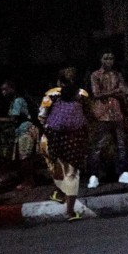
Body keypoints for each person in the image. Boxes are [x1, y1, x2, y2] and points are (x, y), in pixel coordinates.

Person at [39, 67, 91, 221]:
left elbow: (42, 116)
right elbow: (88, 114)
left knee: (58, 166)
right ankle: (69, 211)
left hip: (55, 137)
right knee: (72, 174)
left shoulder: (51, 95)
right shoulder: (82, 95)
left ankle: (58, 192)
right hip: (75, 138)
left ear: (59, 82)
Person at [87, 50, 128, 189]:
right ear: (101, 60)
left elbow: (124, 90)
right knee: (98, 146)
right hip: (102, 114)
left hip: (117, 113)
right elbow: (96, 94)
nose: (109, 61)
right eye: (106, 58)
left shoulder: (117, 74)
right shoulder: (95, 75)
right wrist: (114, 92)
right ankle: (94, 175)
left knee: (121, 144)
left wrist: (118, 92)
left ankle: (123, 172)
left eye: (111, 58)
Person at [0, 79, 40, 189]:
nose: (3, 92)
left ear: (12, 89)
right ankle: (29, 179)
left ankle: (29, 182)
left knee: (25, 158)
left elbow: (13, 119)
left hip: (25, 130)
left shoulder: (18, 101)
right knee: (26, 158)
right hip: (25, 130)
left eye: (5, 89)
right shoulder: (16, 101)